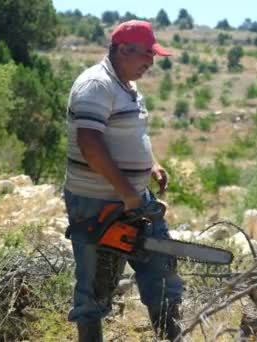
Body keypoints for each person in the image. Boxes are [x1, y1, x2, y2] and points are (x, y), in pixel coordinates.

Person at [63, 20, 183, 341]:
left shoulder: (128, 87)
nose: (150, 62)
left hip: (133, 199)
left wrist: (151, 165)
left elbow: (129, 136)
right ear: (123, 50)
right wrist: (127, 190)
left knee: (163, 277)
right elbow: (90, 144)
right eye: (146, 54)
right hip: (96, 203)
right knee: (94, 290)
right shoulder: (96, 85)